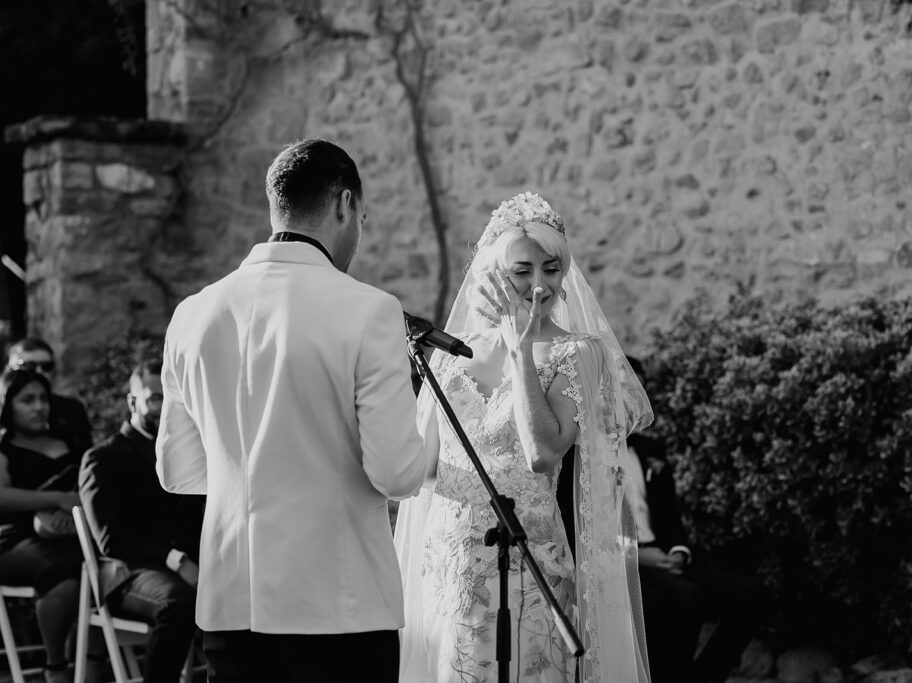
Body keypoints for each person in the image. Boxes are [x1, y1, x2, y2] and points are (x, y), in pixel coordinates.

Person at [156, 138, 426, 683]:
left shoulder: (192, 314)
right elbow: (396, 473)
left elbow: (177, 470)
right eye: (363, 217)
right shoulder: (369, 311)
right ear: (345, 204)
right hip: (338, 607)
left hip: (232, 603)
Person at [394, 192, 653, 683]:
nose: (539, 286)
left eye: (551, 270)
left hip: (527, 568)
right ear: (492, 275)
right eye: (522, 272)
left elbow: (542, 454)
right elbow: (421, 468)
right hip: (451, 565)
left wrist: (519, 351)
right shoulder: (451, 356)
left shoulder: (580, 354)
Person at [623, 356, 771, 683]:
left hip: (665, 553)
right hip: (624, 563)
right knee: (685, 598)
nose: (634, 397)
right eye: (626, 388)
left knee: (752, 594)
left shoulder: (652, 451)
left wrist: (678, 551)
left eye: (639, 389)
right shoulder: (585, 454)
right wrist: (633, 554)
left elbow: (671, 517)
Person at [79, 360, 204, 683]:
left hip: (188, 564)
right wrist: (177, 561)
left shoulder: (191, 454)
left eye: (170, 397)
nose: (164, 407)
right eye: (155, 398)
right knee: (181, 604)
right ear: (132, 402)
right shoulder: (103, 458)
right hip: (127, 571)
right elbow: (111, 539)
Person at [0, 368, 83, 683]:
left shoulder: (67, 443)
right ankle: (56, 666)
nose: (38, 407)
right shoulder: (3, 450)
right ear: (8, 405)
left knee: (103, 568)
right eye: (27, 400)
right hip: (14, 542)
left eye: (43, 399)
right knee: (67, 576)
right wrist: (58, 498)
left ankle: (90, 659)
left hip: (70, 535)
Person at [7, 338, 93, 456]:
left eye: (46, 366)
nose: (39, 371)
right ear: (10, 367)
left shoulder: (71, 409)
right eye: (29, 365)